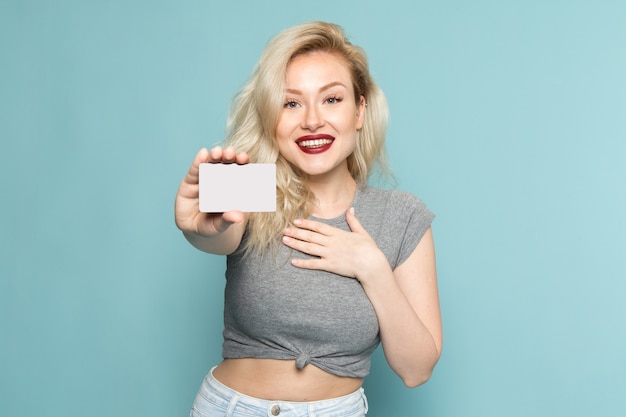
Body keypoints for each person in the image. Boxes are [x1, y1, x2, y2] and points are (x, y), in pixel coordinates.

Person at [175, 21, 442, 417]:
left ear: (360, 110)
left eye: (332, 99)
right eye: (291, 103)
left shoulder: (401, 215)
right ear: (271, 117)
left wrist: (372, 268)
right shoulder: (249, 184)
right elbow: (215, 233)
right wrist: (196, 227)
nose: (312, 120)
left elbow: (417, 370)